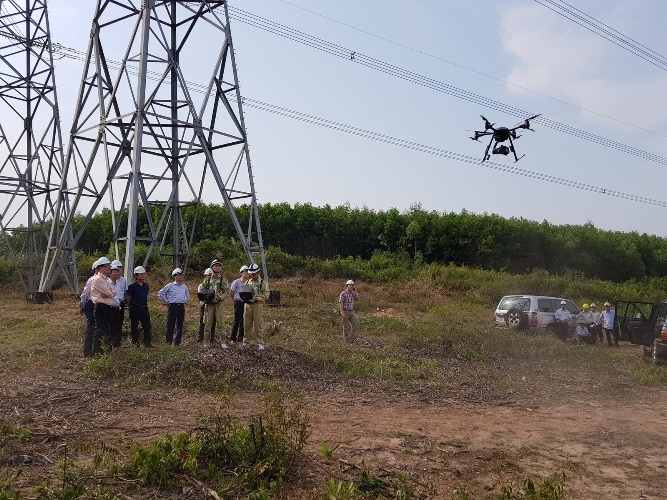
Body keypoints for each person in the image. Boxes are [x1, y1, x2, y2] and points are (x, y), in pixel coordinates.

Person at [90, 257, 117, 355]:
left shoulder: (105, 279)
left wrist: (107, 293)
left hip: (106, 307)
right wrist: (108, 294)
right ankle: (96, 352)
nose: (109, 268)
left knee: (106, 330)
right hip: (100, 307)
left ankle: (104, 352)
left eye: (109, 266)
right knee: (100, 330)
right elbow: (110, 294)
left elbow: (113, 292)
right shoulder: (98, 279)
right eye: (107, 266)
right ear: (100, 267)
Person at [158, 268, 190, 346]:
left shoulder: (184, 286)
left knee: (180, 325)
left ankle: (177, 342)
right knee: (170, 324)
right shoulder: (170, 286)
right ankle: (168, 342)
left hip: (181, 307)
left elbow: (188, 296)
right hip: (172, 306)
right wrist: (167, 301)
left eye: (181, 275)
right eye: (178, 275)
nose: (180, 277)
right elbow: (160, 293)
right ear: (174, 276)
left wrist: (184, 301)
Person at [200, 259, 229, 348]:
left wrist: (220, 297)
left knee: (221, 323)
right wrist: (206, 298)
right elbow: (202, 290)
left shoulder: (223, 279)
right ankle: (206, 342)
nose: (217, 267)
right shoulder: (207, 279)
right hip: (209, 304)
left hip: (219, 304)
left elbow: (227, 291)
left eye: (219, 266)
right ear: (212, 267)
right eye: (216, 266)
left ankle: (223, 342)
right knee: (208, 323)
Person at [126, 265, 153, 348]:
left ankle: (147, 343)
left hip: (144, 307)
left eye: (143, 274)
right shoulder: (132, 287)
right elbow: (128, 298)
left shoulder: (146, 286)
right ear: (136, 276)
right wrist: (131, 305)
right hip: (135, 308)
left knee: (147, 326)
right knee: (134, 326)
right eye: (140, 274)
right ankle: (135, 343)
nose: (142, 275)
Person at [243, 263, 269, 350]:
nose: (252, 275)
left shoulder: (263, 283)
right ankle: (246, 341)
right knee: (247, 324)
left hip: (257, 306)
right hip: (247, 305)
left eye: (253, 274)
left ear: (258, 273)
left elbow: (266, 294)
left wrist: (257, 298)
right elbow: (244, 292)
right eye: (251, 274)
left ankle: (259, 342)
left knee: (258, 325)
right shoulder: (247, 282)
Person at [79, 259, 99, 357]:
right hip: (90, 304)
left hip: (99, 305)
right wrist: (82, 305)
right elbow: (85, 294)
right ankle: (87, 352)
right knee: (91, 327)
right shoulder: (92, 280)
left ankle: (96, 350)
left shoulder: (104, 280)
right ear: (96, 269)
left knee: (98, 328)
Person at [229, 265, 250, 344]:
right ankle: (233, 338)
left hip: (247, 303)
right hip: (238, 302)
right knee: (236, 320)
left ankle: (240, 338)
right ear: (241, 272)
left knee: (244, 321)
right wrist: (235, 300)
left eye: (248, 271)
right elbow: (232, 292)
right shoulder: (236, 282)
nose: (247, 273)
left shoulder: (250, 282)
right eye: (245, 271)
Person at [111, 259, 127, 346]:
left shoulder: (123, 280)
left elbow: (124, 292)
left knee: (120, 322)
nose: (119, 269)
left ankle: (117, 342)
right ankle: (111, 341)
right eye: (117, 268)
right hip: (112, 304)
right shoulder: (109, 280)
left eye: (120, 267)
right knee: (112, 323)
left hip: (120, 303)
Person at [197, 268, 215, 342]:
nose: (209, 277)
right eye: (207, 275)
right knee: (202, 321)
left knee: (213, 321)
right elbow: (200, 297)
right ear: (205, 276)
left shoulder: (214, 285)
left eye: (210, 275)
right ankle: (200, 338)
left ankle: (211, 338)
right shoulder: (201, 285)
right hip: (204, 305)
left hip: (212, 305)